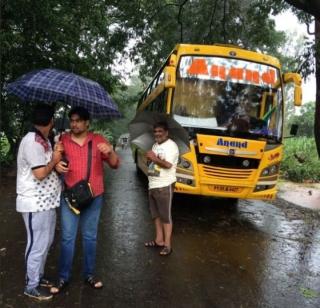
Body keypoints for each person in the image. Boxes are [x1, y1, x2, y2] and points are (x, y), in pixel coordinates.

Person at [51, 106, 120, 294]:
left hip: (94, 196)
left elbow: (115, 165)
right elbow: (54, 161)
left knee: (90, 237)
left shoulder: (98, 140)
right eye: (72, 120)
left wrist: (111, 151)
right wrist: (56, 163)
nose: (74, 124)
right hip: (70, 197)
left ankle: (89, 274)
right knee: (67, 238)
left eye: (78, 120)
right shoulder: (62, 140)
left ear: (87, 122)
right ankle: (63, 277)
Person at [16, 104, 62, 301]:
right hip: (34, 203)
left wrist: (56, 154)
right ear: (51, 121)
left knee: (46, 242)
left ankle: (38, 276)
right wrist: (54, 160)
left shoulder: (44, 140)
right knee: (37, 244)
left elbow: (49, 164)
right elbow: (41, 173)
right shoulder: (32, 142)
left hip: (48, 202)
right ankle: (31, 285)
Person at [144, 122, 179, 256]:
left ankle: (167, 245)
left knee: (165, 216)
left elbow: (168, 165)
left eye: (160, 131)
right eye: (155, 131)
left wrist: (154, 158)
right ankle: (159, 240)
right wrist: (149, 159)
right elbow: (153, 163)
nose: (157, 134)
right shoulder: (155, 145)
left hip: (164, 185)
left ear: (166, 132)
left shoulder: (171, 146)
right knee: (155, 215)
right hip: (152, 184)